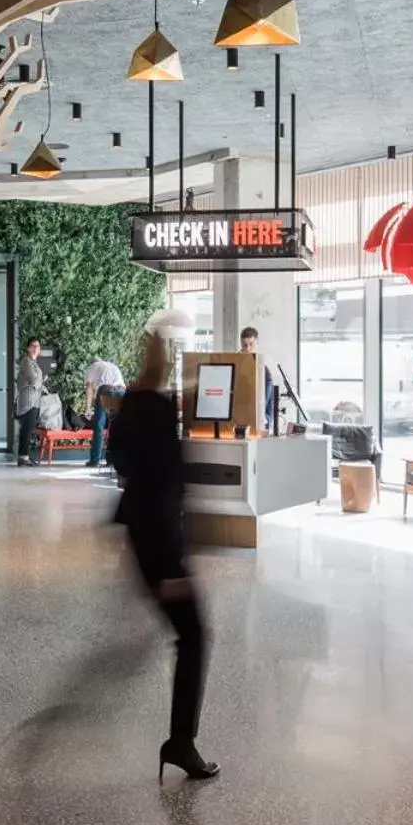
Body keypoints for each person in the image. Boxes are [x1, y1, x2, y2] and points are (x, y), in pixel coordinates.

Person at [108, 312, 218, 782]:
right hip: (160, 545)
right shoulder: (155, 407)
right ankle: (180, 742)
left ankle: (181, 741)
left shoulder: (131, 402)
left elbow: (120, 461)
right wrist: (176, 563)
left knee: (187, 635)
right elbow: (165, 486)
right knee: (193, 637)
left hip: (141, 537)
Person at [83, 354, 125, 467]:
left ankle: (95, 460)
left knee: (99, 426)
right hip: (121, 392)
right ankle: (112, 460)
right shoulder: (112, 366)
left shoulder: (93, 367)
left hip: (106, 391)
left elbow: (90, 388)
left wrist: (88, 408)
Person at [239, 326, 278, 430]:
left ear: (257, 343)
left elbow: (261, 405)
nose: (247, 349)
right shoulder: (236, 364)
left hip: (260, 420)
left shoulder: (264, 372)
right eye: (244, 345)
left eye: (251, 344)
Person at [14, 337, 45, 465]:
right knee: (26, 429)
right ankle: (23, 457)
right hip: (27, 402)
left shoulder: (33, 362)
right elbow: (33, 379)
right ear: (28, 348)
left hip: (34, 400)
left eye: (37, 346)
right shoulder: (26, 361)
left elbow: (36, 381)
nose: (35, 348)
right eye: (33, 346)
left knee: (29, 429)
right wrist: (41, 379)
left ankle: (24, 456)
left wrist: (39, 381)